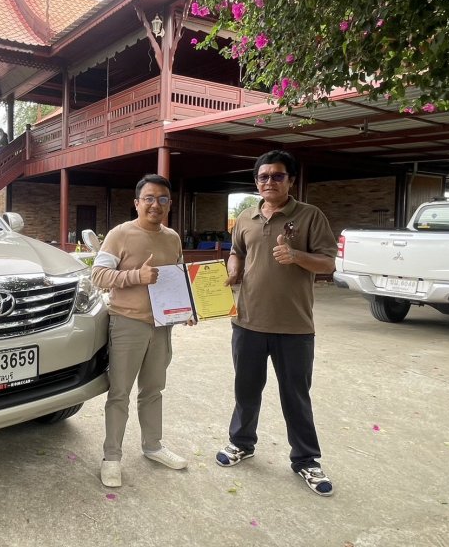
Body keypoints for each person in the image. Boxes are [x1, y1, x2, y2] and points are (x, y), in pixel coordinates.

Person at [216, 150, 337, 497]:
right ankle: (241, 442)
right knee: (246, 390)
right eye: (263, 176)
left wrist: (297, 256)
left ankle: (306, 460)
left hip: (294, 326)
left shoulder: (310, 216)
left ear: (291, 180)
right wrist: (234, 267)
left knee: (296, 395)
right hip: (247, 321)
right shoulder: (245, 217)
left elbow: (328, 264)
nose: (269, 181)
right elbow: (236, 250)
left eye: (277, 176)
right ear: (256, 182)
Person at [92, 173, 195, 488]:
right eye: (148, 198)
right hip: (127, 323)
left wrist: (187, 308)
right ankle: (112, 457)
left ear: (169, 204)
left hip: (161, 327)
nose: (155, 205)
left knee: (153, 390)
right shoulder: (120, 234)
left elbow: (177, 277)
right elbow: (98, 274)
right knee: (119, 392)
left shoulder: (173, 237)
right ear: (137, 203)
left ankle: (152, 446)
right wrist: (136, 276)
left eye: (162, 199)